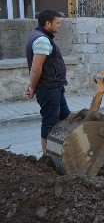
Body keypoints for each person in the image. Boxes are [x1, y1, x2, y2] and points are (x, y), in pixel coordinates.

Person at [25, 9, 71, 155]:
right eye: (57, 23)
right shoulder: (42, 40)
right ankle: (47, 156)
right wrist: (32, 87)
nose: (59, 25)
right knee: (50, 122)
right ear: (47, 23)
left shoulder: (39, 36)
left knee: (66, 117)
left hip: (54, 87)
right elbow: (36, 68)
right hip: (48, 88)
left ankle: (65, 151)